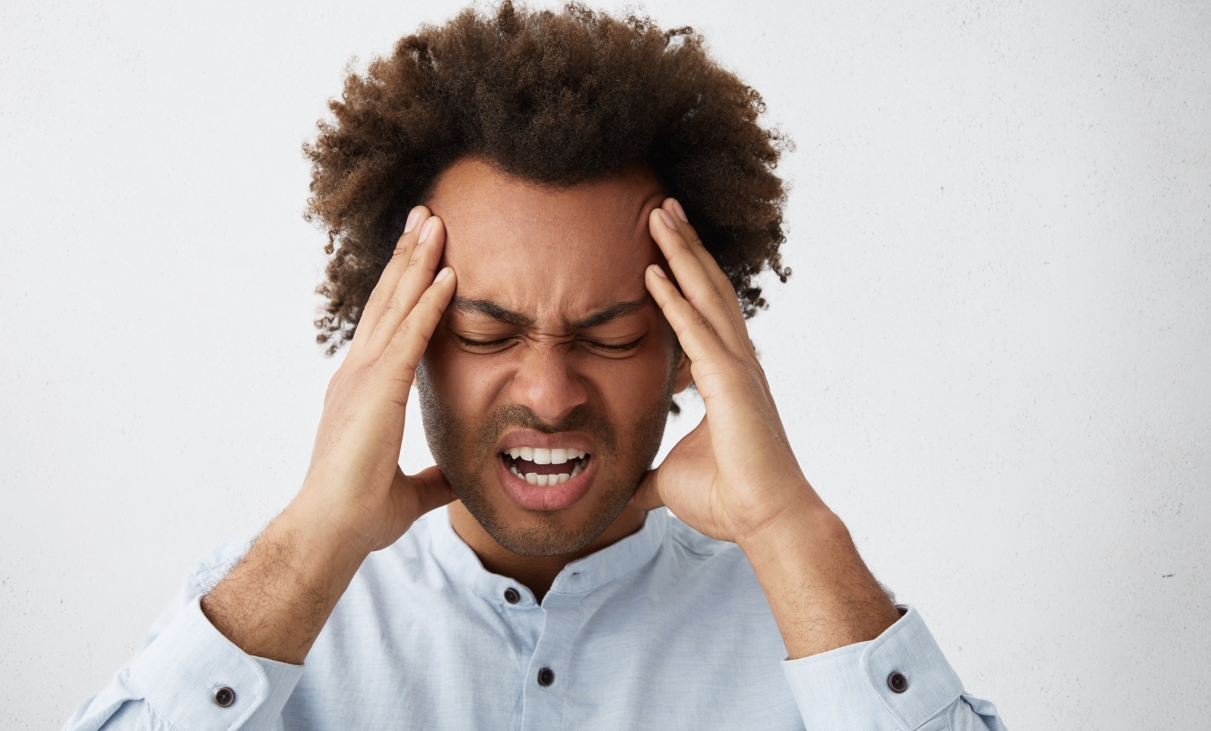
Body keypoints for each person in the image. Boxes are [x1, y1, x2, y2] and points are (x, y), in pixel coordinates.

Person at [65, 3, 1005, 729]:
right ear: (400, 345)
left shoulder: (816, 624)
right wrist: (315, 541)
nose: (550, 395)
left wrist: (791, 526)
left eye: (611, 334)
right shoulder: (264, 614)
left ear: (691, 352)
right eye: (483, 332)